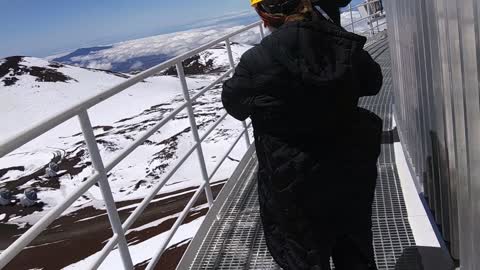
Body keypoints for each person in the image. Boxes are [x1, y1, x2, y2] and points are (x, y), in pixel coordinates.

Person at [222, 0, 383, 269]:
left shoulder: (257, 60)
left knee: (302, 254)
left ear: (264, 14)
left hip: (292, 178)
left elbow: (234, 105)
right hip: (350, 168)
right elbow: (373, 82)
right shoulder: (341, 43)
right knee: (354, 249)